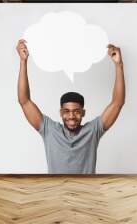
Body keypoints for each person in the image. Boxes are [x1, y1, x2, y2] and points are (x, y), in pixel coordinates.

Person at [16, 39, 125, 174]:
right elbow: (24, 101)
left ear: (83, 113)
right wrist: (23, 62)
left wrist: (119, 65)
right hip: (57, 194)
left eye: (76, 111)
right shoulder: (49, 130)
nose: (71, 116)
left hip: (86, 194)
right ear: (61, 112)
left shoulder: (92, 131)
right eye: (66, 111)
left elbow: (117, 103)